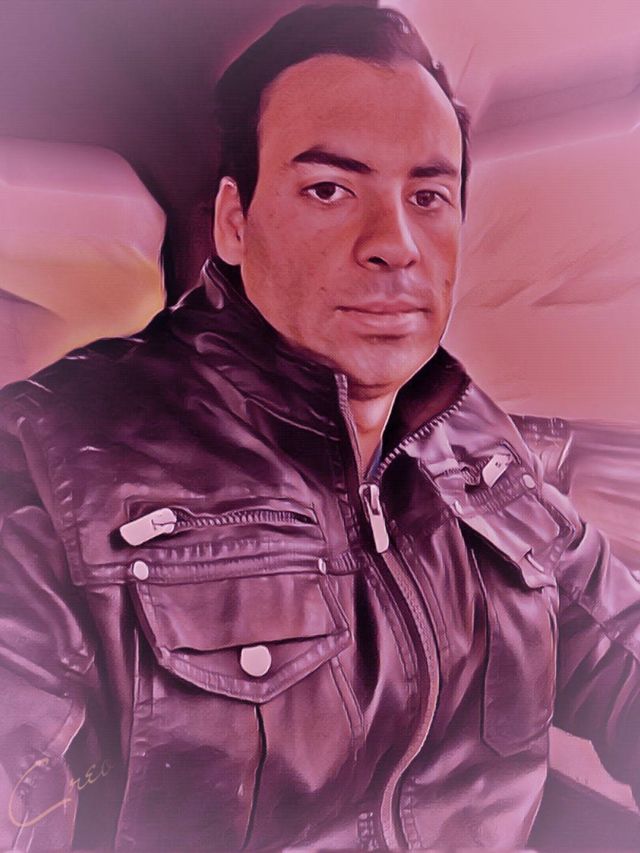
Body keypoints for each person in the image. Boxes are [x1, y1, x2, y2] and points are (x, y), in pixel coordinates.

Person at [0, 4, 639, 851]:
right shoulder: (50, 457)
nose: (395, 244)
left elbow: (620, 647)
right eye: (329, 189)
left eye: (428, 196)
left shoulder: (470, 434)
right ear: (234, 222)